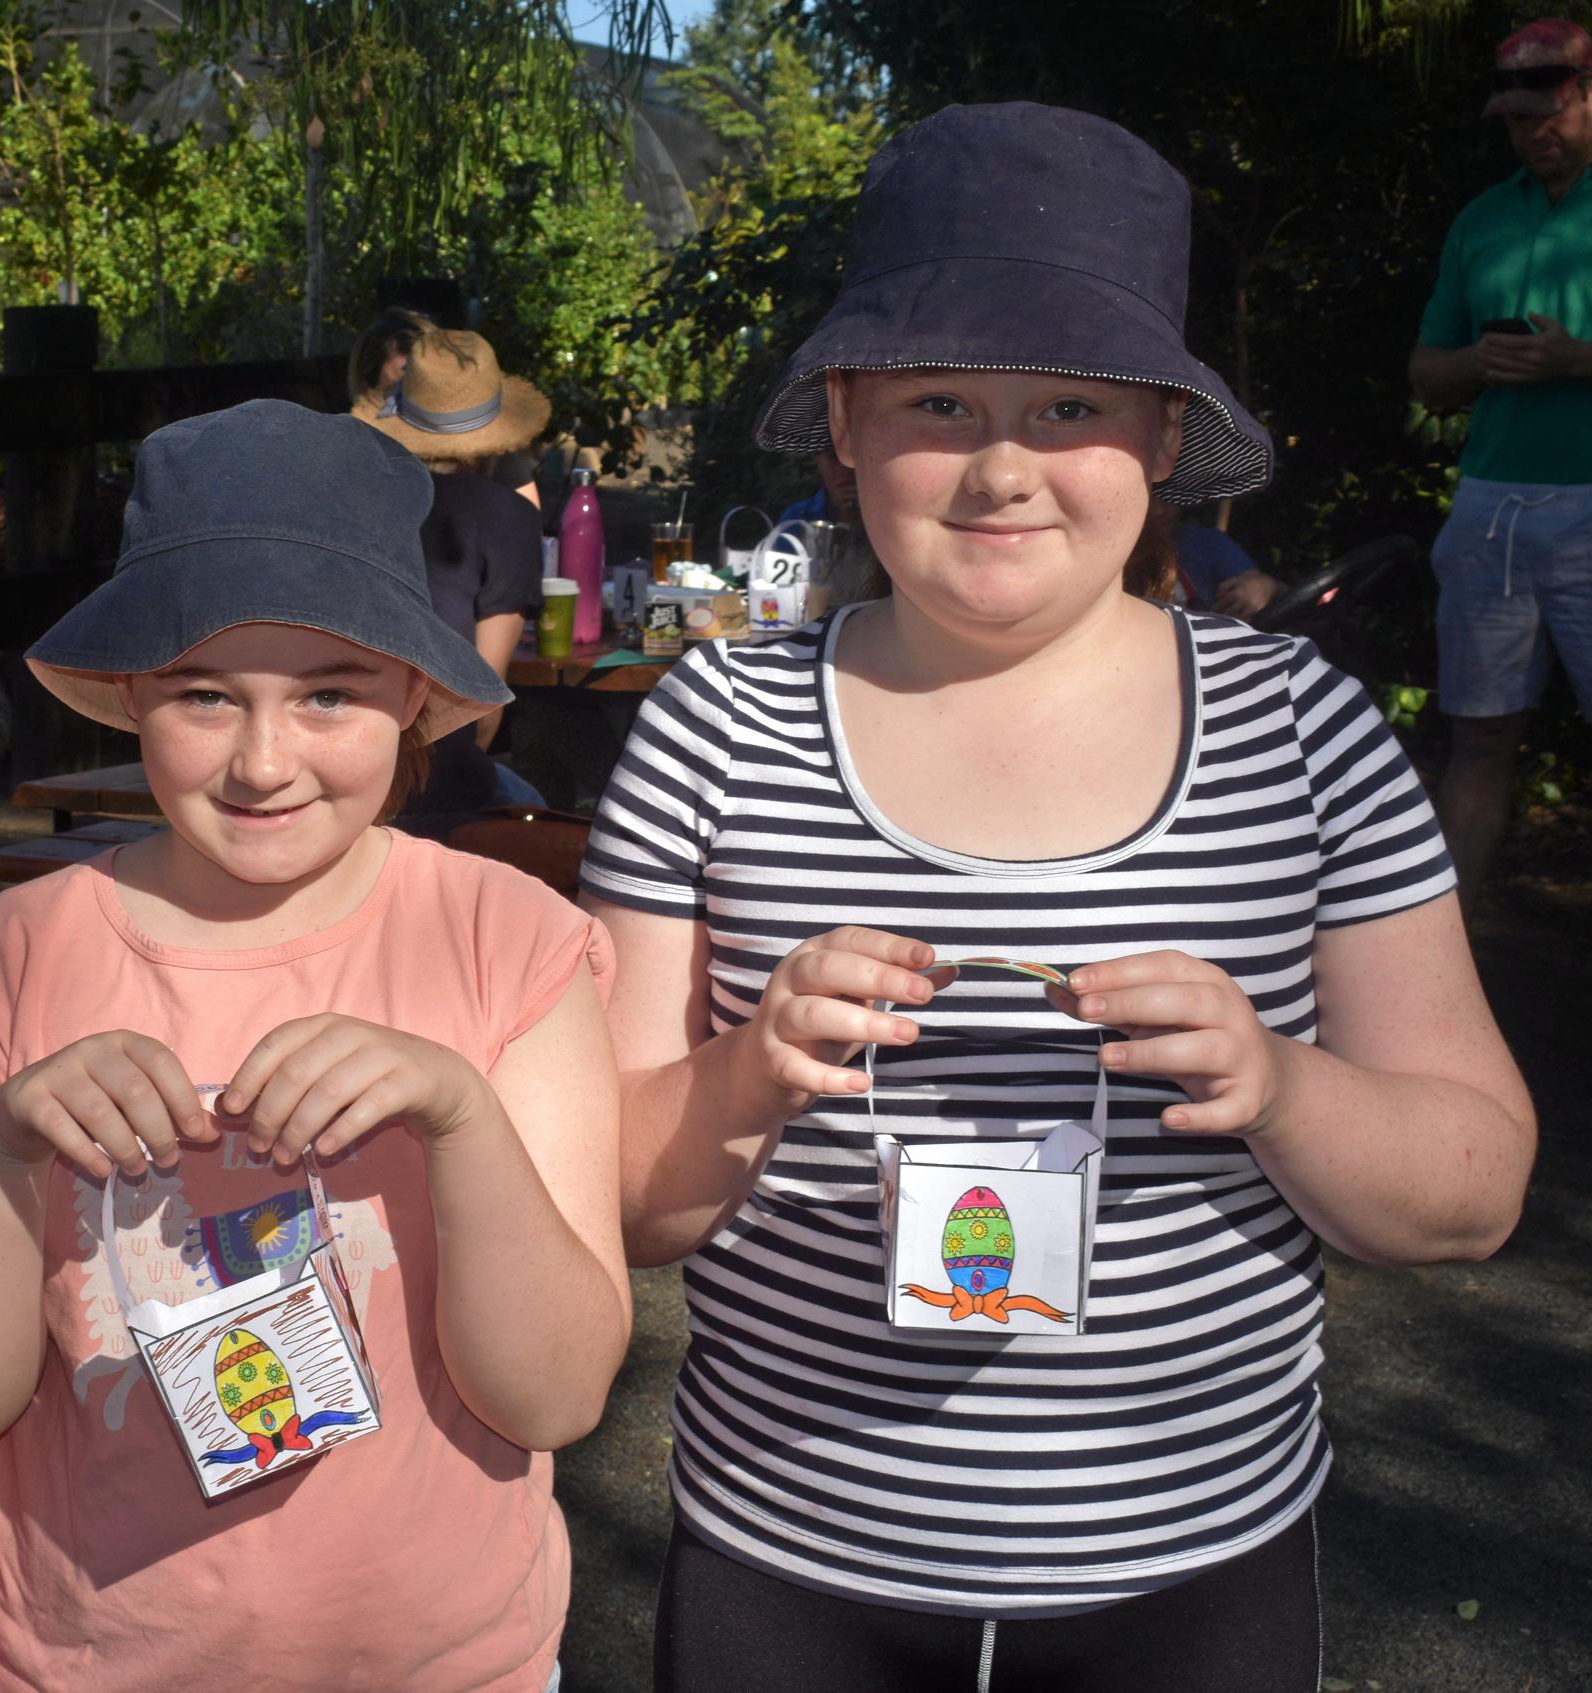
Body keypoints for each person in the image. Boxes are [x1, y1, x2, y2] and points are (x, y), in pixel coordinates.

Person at [583, 103, 1535, 1692]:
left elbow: (1470, 1193)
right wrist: (742, 1076)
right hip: (787, 1557)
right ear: (844, 420)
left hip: (1190, 1563)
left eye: (1073, 404)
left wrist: (1274, 1081)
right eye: (939, 399)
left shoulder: (1300, 733)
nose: (1003, 464)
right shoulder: (714, 729)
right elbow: (604, 1202)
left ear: (1164, 441)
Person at [0, 399, 629, 1693]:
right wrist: (1, 1150)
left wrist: (460, 1116)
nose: (263, 761)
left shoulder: (507, 942)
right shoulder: (14, 956)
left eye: (327, 694)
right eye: (205, 696)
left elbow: (550, 1398)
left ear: (409, 696)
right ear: (128, 695)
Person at [1408, 18, 1592, 905]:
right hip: (1492, 508)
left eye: (1550, 112)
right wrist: (1484, 363)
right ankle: (1450, 957)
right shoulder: (1481, 220)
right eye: (1517, 120)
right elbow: (1426, 375)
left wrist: (1576, 362)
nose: (1533, 133)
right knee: (1478, 737)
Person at [359, 325, 555, 830]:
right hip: (427, 781)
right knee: (546, 816)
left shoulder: (353, 503)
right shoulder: (506, 516)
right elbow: (482, 702)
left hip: (338, 768)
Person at [351, 306, 541, 507]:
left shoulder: (493, 457)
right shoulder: (353, 464)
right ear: (366, 392)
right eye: (399, 393)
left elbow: (526, 528)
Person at [1169, 508, 1282, 619]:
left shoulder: (1205, 542)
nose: (1160, 511)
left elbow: (1255, 581)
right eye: (1153, 498)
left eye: (1165, 497)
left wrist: (1263, 587)